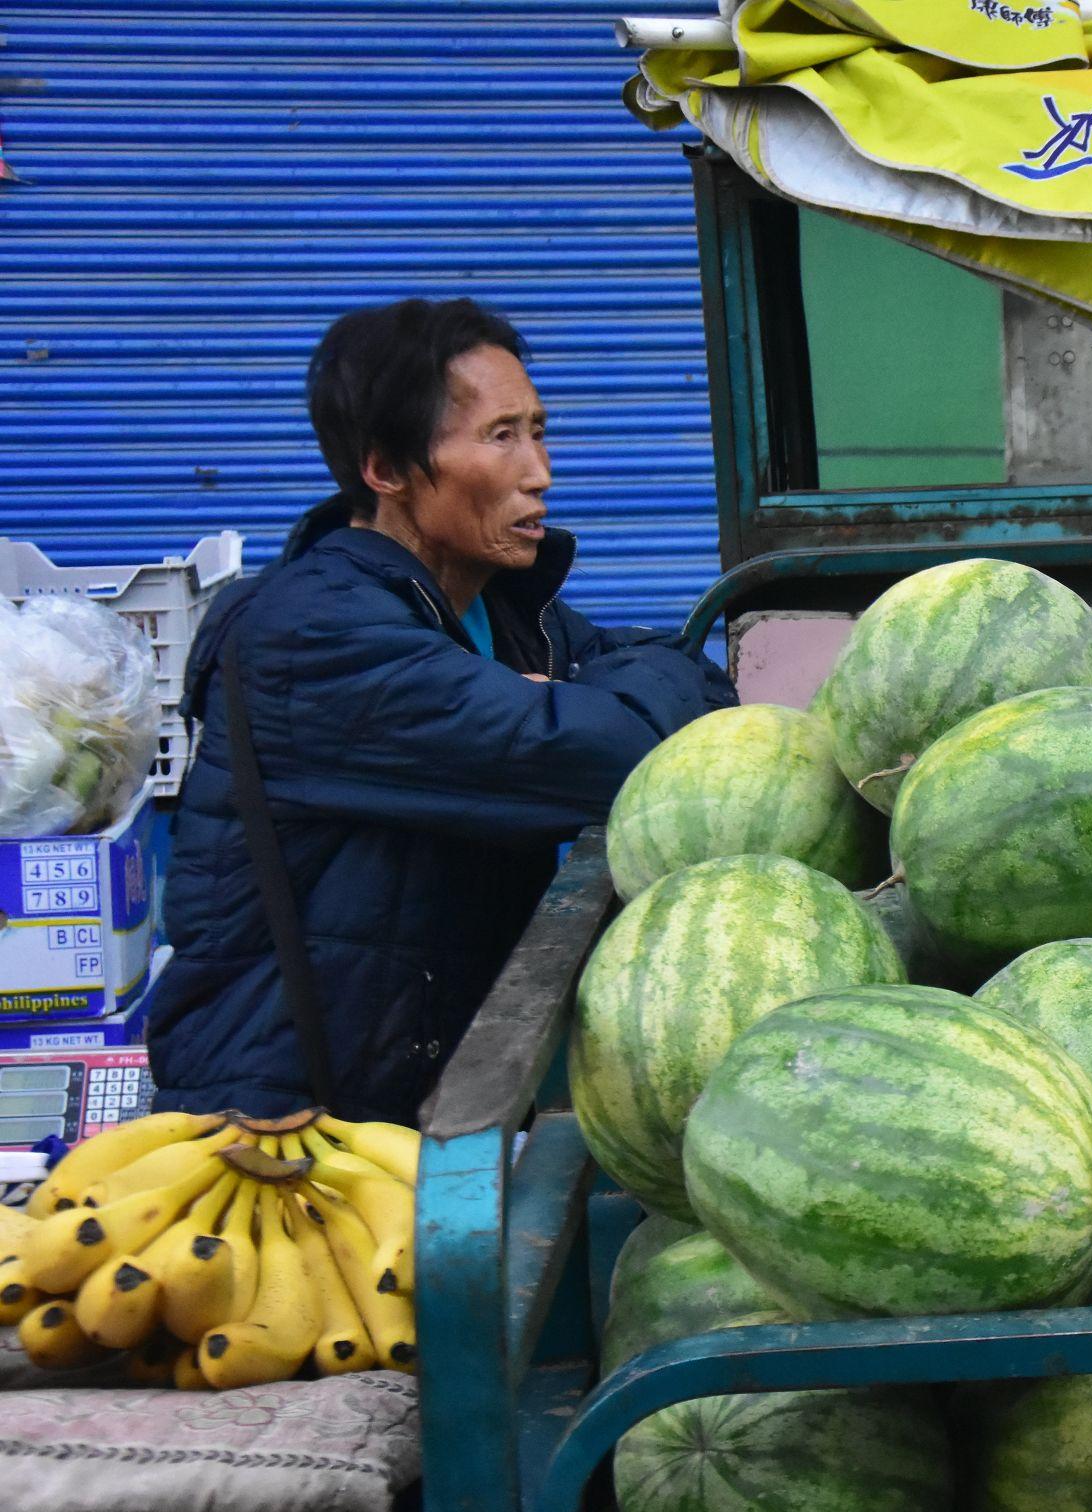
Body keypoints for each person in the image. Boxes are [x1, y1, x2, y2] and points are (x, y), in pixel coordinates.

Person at [149, 299, 736, 1123]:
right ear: (386, 470)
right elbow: (619, 755)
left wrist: (573, 703)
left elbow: (689, 675)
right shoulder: (313, 636)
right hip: (283, 1123)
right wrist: (574, 709)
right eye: (501, 437)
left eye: (538, 430)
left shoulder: (496, 610)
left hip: (420, 1096)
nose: (540, 472)